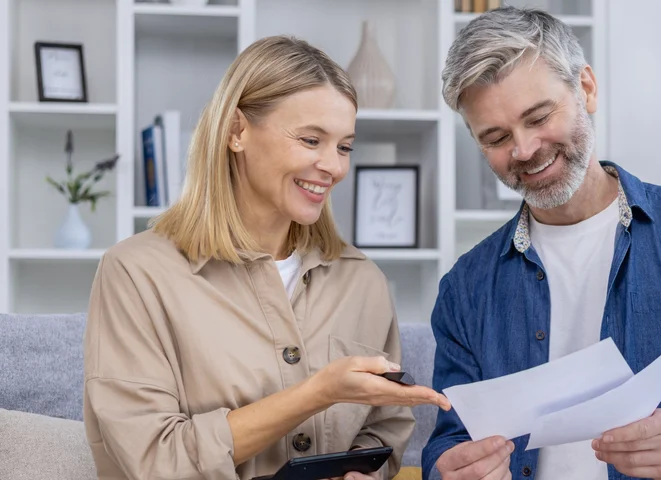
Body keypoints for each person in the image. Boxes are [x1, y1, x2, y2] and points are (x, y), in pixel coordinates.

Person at [423, 7, 661, 480]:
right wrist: (450, 469)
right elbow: (449, 438)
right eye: (497, 137)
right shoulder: (465, 286)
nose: (523, 151)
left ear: (586, 88)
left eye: (539, 117)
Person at [82, 35, 451, 480]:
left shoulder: (363, 282)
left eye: (344, 146)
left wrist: (364, 471)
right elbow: (156, 462)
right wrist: (316, 393)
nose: (333, 167)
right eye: (311, 139)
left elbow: (384, 429)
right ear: (237, 132)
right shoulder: (136, 274)